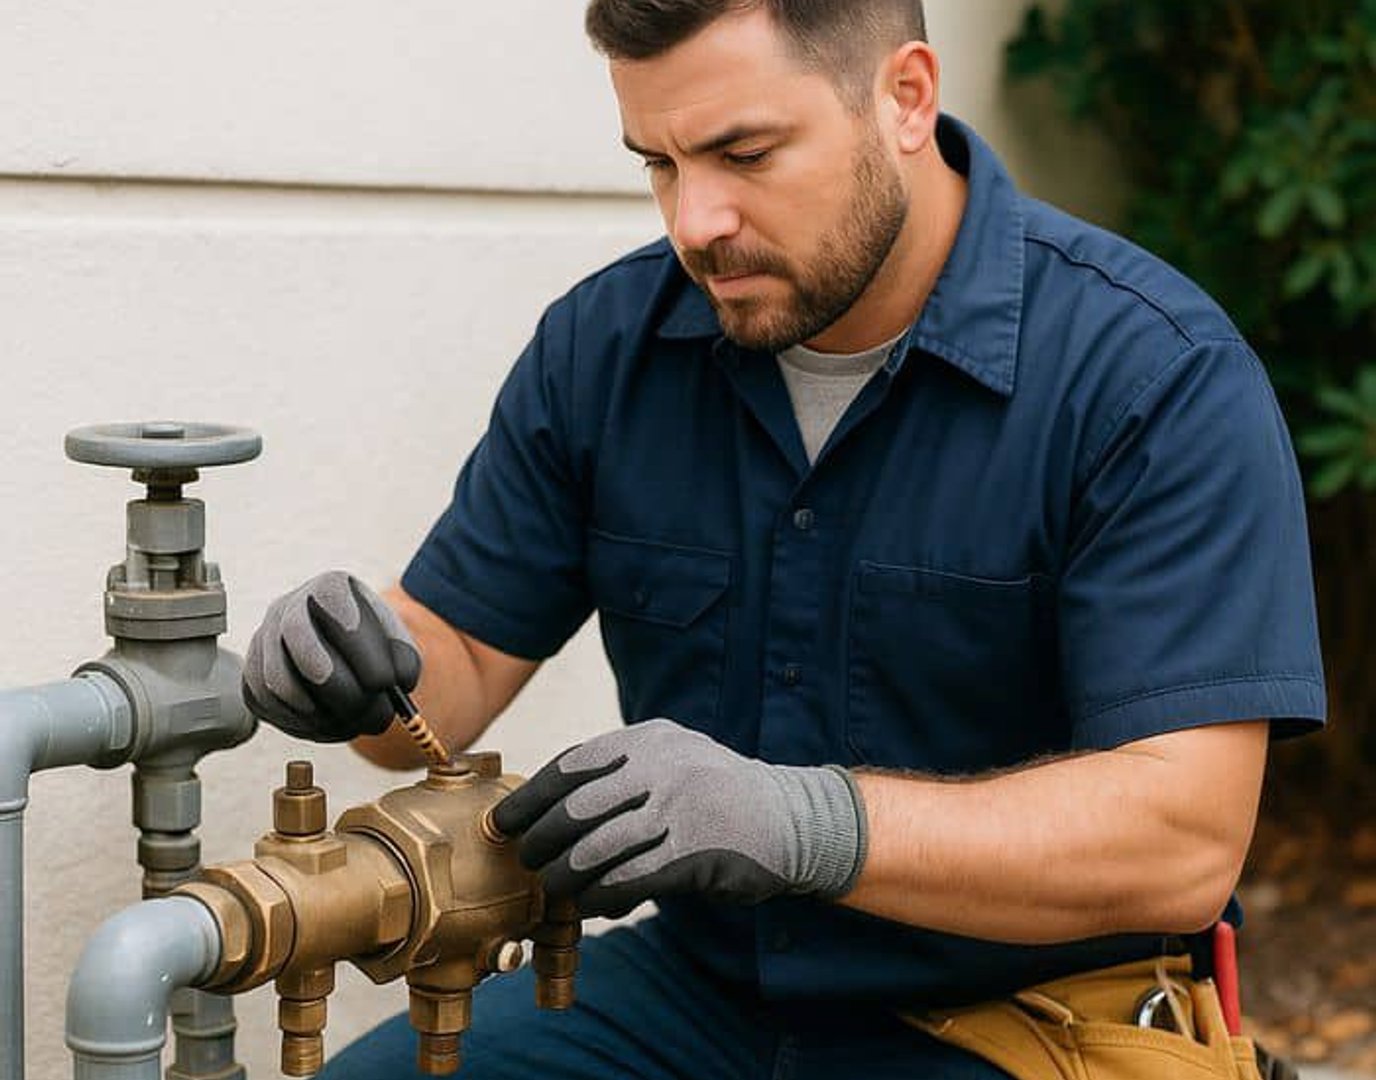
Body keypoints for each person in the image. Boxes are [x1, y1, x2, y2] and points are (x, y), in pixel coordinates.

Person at [241, 2, 1326, 1077]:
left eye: (742, 152)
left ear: (904, 97)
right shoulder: (605, 348)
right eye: (657, 163)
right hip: (698, 993)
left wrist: (801, 821)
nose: (694, 219)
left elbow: (1178, 840)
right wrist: (356, 666)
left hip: (1027, 1014)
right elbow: (458, 669)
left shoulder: (1148, 376)